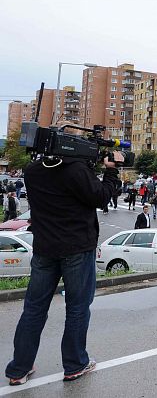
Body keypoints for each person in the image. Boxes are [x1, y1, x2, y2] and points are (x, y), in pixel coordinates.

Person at [5, 149, 120, 385]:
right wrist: (111, 170)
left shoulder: (33, 170)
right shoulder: (76, 170)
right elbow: (100, 197)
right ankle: (75, 364)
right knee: (77, 307)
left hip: (45, 247)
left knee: (34, 308)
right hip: (77, 247)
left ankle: (19, 368)